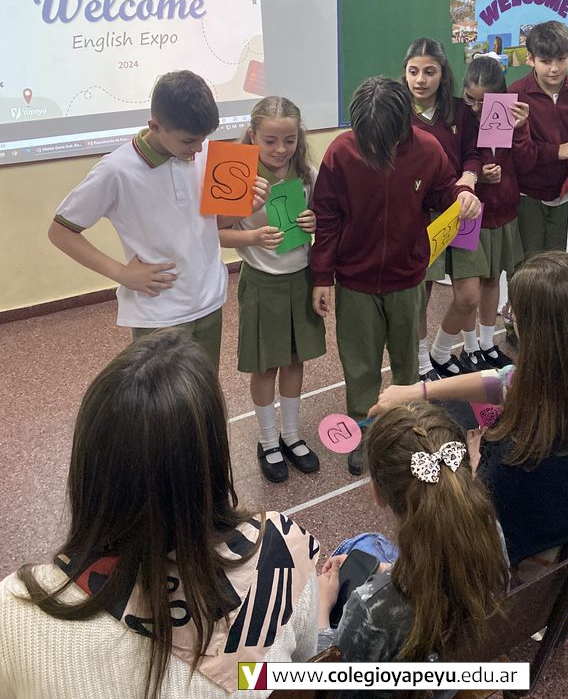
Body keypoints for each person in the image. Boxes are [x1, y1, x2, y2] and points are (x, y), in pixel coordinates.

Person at [0, 331, 320, 699]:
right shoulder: (284, 554)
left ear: (88, 466)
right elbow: (301, 673)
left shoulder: (15, 609)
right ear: (211, 460)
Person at [370, 253, 568, 575]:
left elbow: (465, 558)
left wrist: (476, 471)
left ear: (538, 339)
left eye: (514, 315)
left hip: (529, 585)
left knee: (365, 546)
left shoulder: (515, 466)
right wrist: (421, 390)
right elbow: (507, 379)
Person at [310, 76, 481, 475]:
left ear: (404, 125)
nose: (377, 150)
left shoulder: (428, 149)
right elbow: (327, 217)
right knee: (360, 364)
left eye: (385, 141)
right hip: (355, 279)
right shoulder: (340, 153)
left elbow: (443, 191)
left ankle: (408, 429)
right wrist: (322, 276)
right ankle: (366, 431)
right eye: (369, 141)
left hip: (407, 276)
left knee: (407, 362)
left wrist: (463, 196)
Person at [48, 70, 268, 371]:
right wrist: (123, 274)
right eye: (189, 141)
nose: (198, 149)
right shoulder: (116, 170)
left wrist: (248, 207)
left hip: (208, 300)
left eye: (203, 139)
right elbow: (60, 232)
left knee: (204, 390)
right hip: (158, 313)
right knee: (161, 396)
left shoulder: (204, 154)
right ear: (155, 126)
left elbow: (211, 223)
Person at [316, 403, 509, 699]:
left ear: (377, 492)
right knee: (368, 547)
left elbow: (333, 688)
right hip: (452, 675)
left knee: (360, 545)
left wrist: (321, 611)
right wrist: (388, 571)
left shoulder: (371, 609)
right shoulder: (489, 530)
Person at [219, 97, 325, 484]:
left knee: (295, 360)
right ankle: (267, 441)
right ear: (253, 136)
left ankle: (292, 435)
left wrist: (314, 222)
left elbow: (323, 221)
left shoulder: (307, 174)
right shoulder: (236, 173)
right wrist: (253, 235)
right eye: (270, 141)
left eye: (289, 140)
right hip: (262, 282)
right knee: (265, 365)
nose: (281, 149)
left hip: (300, 278)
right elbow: (216, 233)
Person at [401, 38, 483, 379]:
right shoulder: (398, 113)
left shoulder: (459, 111)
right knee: (420, 294)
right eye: (413, 71)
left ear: (442, 73)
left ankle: (440, 350)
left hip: (461, 209)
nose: (420, 80)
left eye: (429, 72)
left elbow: (474, 154)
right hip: (420, 215)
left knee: (469, 295)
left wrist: (469, 178)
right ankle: (422, 363)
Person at [460, 56, 536, 365]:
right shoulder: (461, 119)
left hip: (503, 213)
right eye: (470, 99)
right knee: (469, 286)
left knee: (493, 280)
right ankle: (469, 347)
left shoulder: (508, 117)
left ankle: (487, 343)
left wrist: (521, 129)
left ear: (501, 97)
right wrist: (478, 177)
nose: (476, 108)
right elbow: (453, 166)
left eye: (484, 102)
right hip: (470, 215)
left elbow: (527, 164)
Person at [507, 20, 568, 258]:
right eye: (546, 61)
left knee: (556, 260)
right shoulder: (515, 94)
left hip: (562, 191)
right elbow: (518, 156)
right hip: (526, 193)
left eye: (561, 59)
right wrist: (558, 151)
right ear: (530, 59)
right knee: (529, 261)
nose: (554, 68)